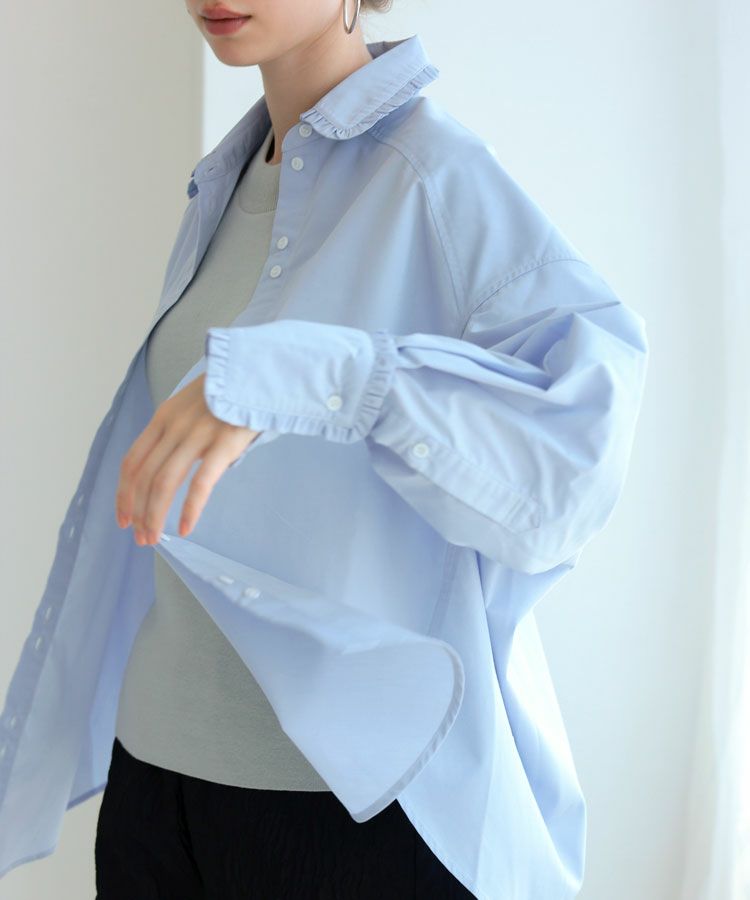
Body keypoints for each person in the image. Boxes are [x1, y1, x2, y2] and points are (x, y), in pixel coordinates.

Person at [0, 0, 649, 897]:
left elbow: (574, 466)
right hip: (156, 784)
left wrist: (332, 375)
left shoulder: (436, 178)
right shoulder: (230, 180)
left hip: (338, 812)